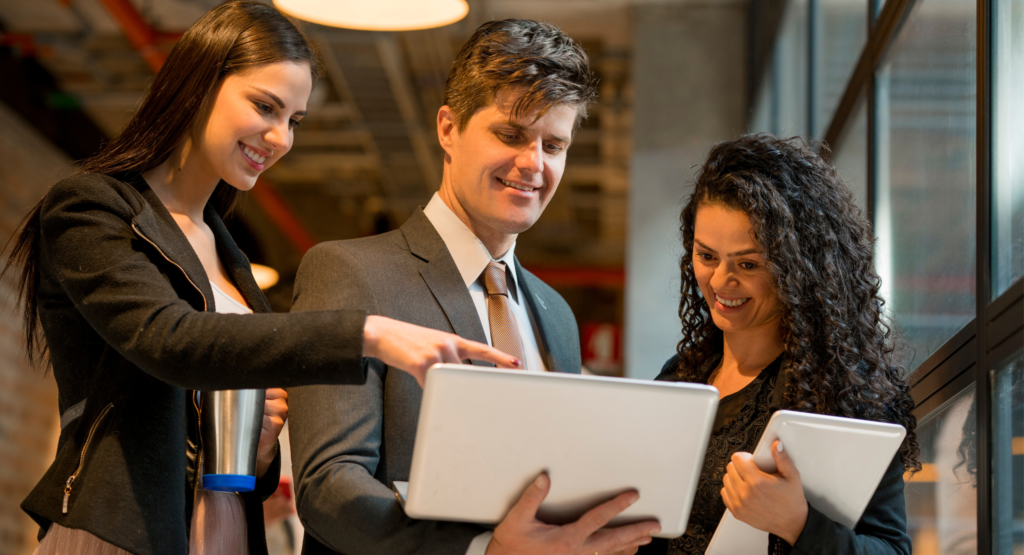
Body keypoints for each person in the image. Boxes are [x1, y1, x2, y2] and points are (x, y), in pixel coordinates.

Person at [4, 4, 516, 555]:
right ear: (198, 86)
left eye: (293, 120)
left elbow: (211, 408)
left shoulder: (228, 250)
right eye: (264, 106)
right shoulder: (93, 208)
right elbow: (168, 340)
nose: (279, 138)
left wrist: (261, 447)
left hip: (224, 524)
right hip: (123, 529)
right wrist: (370, 333)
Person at [287, 19, 660, 555]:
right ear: (448, 129)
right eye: (510, 135)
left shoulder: (555, 314)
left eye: (553, 145)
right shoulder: (350, 272)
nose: (533, 164)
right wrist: (484, 550)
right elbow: (329, 488)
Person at [637, 134, 922, 555]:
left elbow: (891, 550)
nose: (719, 282)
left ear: (797, 269)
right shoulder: (680, 376)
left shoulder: (844, 392)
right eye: (707, 256)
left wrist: (798, 523)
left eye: (747, 264)